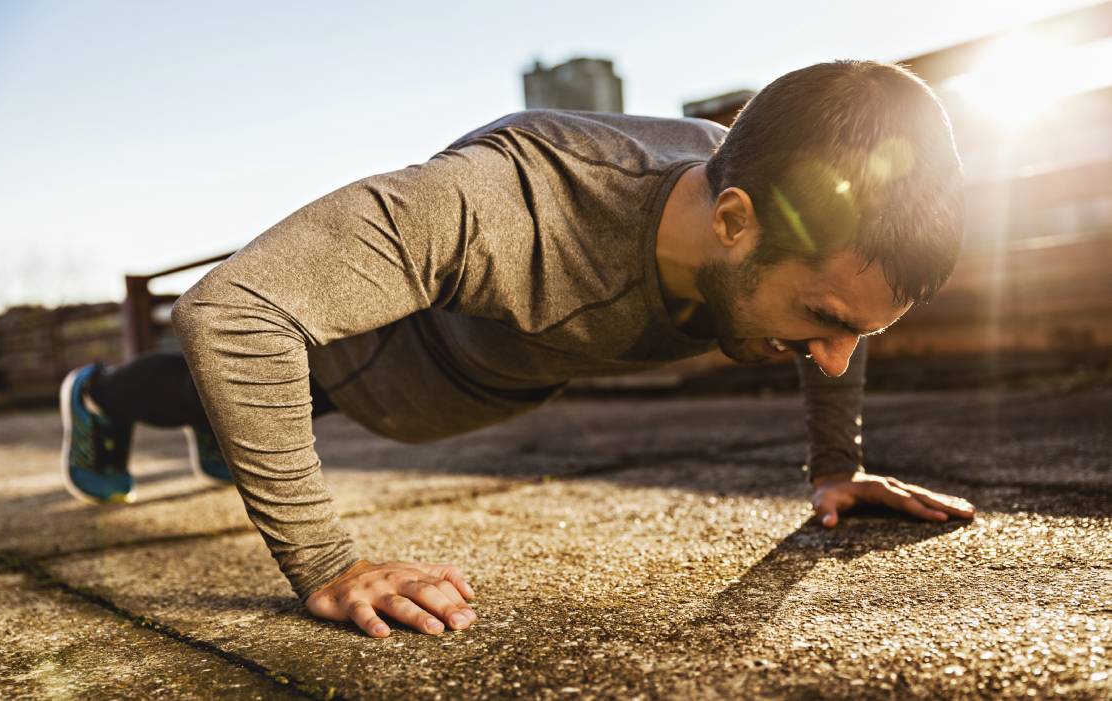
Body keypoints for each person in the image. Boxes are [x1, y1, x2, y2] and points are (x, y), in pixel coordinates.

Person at [60, 59, 977, 639]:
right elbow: (234, 310)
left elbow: (838, 313)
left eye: (857, 333)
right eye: (820, 318)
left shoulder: (774, 207)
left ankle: (231, 423)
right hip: (376, 363)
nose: (831, 357)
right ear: (732, 223)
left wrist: (836, 464)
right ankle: (99, 394)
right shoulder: (507, 202)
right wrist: (327, 563)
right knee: (220, 378)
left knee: (246, 401)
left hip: (483, 376)